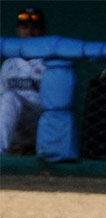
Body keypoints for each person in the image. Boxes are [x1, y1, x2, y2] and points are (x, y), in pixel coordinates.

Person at [0, 7, 46, 156]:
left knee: (9, 98)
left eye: (34, 28)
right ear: (18, 31)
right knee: (7, 98)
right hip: (11, 125)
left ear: (43, 32)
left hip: (37, 123)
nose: (29, 31)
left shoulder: (49, 63)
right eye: (24, 27)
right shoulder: (8, 64)